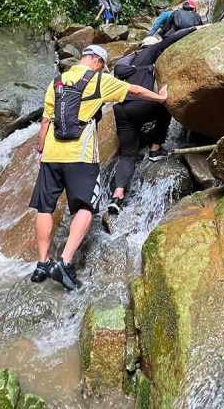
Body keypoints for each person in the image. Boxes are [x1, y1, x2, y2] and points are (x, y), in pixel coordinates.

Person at [30, 44, 168, 290]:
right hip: (80, 156)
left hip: (51, 154)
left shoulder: (57, 82)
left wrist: (41, 149)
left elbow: (45, 121)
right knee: (85, 207)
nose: (103, 67)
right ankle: (65, 261)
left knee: (44, 207)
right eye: (102, 64)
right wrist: (160, 97)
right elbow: (134, 90)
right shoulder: (98, 80)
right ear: (95, 60)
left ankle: (42, 263)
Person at [102, 26, 200, 233]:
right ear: (151, 48)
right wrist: (197, 28)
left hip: (122, 110)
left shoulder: (124, 66)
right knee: (164, 107)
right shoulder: (147, 55)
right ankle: (155, 148)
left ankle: (117, 196)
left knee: (127, 155)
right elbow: (169, 39)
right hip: (143, 103)